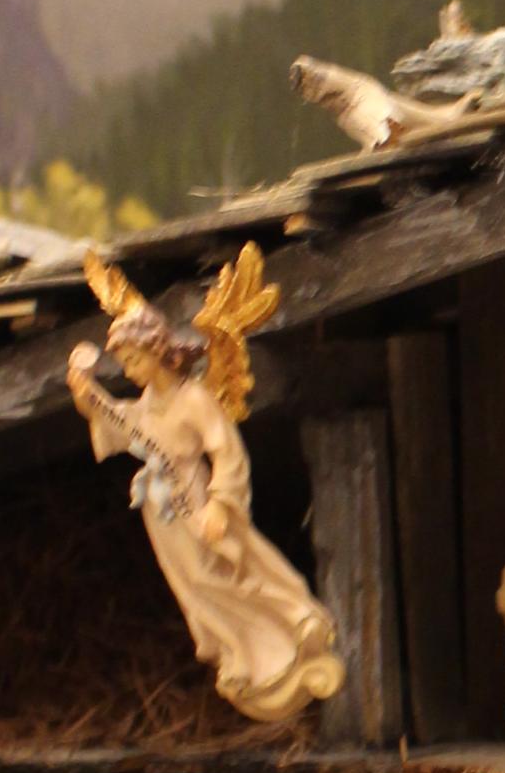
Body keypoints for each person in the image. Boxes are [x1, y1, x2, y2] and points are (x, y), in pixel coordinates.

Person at [69, 244, 343, 725]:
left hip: (195, 500)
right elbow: (121, 424)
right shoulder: (148, 403)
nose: (129, 371)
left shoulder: (194, 400)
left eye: (133, 359)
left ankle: (290, 628)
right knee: (195, 585)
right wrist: (86, 394)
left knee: (226, 570)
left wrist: (220, 502)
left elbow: (226, 451)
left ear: (157, 352)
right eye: (125, 363)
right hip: (161, 509)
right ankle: (243, 654)